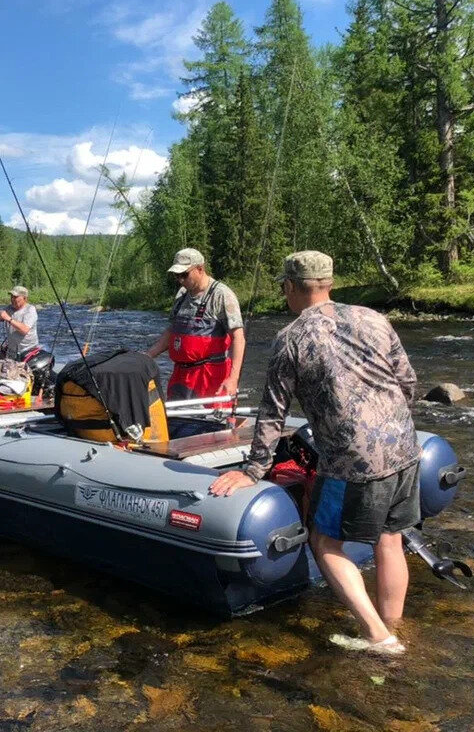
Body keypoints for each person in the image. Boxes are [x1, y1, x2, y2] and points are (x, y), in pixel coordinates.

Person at [209, 251, 420, 656]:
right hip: (405, 448)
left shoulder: (291, 338)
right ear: (329, 283)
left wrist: (253, 470)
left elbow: (273, 413)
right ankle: (395, 626)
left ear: (290, 287)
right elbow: (407, 382)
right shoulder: (373, 318)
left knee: (324, 542)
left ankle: (379, 637)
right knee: (389, 539)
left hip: (352, 461)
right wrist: (392, 427)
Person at [146, 248, 245, 402]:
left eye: (184, 275)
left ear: (200, 269)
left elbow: (238, 338)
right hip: (180, 376)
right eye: (177, 275)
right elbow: (173, 330)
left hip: (210, 377)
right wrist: (148, 355)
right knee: (176, 422)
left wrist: (233, 379)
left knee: (209, 424)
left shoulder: (222, 295)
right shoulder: (181, 294)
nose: (180, 280)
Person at [0, 286, 38, 360]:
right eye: (11, 296)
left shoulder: (30, 310)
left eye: (15, 297)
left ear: (24, 298)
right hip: (12, 351)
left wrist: (8, 318)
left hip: (28, 351)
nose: (12, 299)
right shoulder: (9, 308)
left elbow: (24, 329)